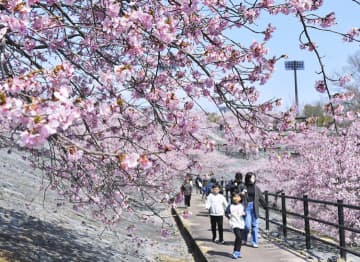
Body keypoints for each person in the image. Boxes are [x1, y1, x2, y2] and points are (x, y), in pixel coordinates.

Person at [243, 172, 266, 248]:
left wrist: (265, 206)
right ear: (248, 178)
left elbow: (261, 198)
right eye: (252, 177)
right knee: (247, 225)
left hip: (255, 207)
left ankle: (254, 242)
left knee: (254, 226)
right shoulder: (243, 186)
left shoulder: (257, 188)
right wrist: (241, 194)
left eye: (254, 177)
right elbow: (237, 196)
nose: (253, 179)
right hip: (246, 207)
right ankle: (244, 238)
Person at [225, 192, 246, 259]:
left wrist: (244, 214)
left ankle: (237, 252)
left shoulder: (242, 206)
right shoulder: (230, 206)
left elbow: (245, 214)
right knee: (238, 237)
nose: (235, 198)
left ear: (240, 198)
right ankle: (236, 252)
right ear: (232, 198)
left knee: (239, 239)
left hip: (241, 223)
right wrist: (228, 215)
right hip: (233, 223)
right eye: (234, 197)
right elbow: (226, 213)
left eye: (237, 197)